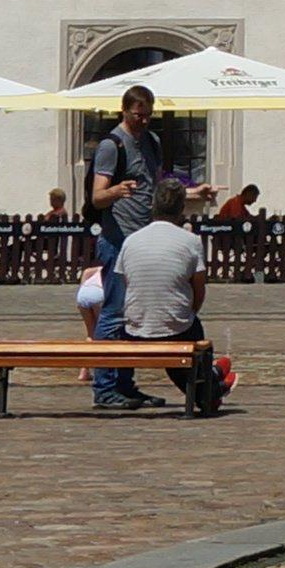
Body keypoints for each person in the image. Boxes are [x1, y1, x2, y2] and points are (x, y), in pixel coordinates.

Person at [84, 83, 169, 409]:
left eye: (148, 115)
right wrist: (116, 190)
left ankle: (125, 384)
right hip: (117, 241)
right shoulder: (111, 145)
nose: (144, 121)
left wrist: (191, 194)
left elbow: (156, 187)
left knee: (132, 314)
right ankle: (105, 388)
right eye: (138, 116)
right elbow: (97, 196)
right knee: (113, 312)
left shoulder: (152, 141)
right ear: (125, 111)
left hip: (143, 241)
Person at [108, 180, 224, 415]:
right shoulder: (190, 241)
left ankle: (213, 382)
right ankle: (211, 388)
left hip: (135, 328)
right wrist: (188, 312)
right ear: (182, 208)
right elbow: (199, 290)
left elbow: (127, 284)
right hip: (176, 326)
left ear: (153, 205)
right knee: (188, 331)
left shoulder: (131, 241)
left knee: (170, 330)